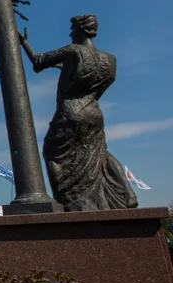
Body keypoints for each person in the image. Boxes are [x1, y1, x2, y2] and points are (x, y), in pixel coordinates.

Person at [19, 15, 138, 211]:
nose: (70, 32)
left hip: (70, 111)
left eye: (73, 29)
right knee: (101, 153)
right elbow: (94, 88)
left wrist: (23, 42)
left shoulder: (72, 50)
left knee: (52, 153)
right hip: (93, 112)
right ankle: (127, 193)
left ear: (82, 30)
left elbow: (38, 61)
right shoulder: (110, 60)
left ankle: (72, 203)